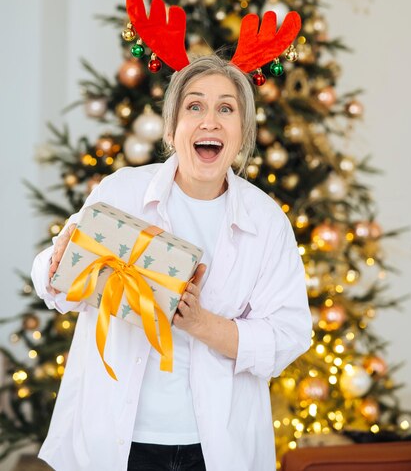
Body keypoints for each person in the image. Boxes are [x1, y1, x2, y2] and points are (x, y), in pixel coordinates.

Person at [32, 54, 312, 471]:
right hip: (117, 442)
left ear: (243, 132)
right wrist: (55, 268)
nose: (209, 121)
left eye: (226, 108)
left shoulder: (266, 221)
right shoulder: (122, 191)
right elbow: (57, 286)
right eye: (194, 106)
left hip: (215, 448)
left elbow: (288, 335)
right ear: (171, 127)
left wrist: (201, 323)